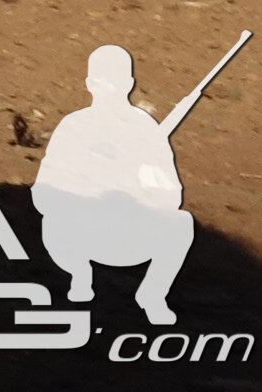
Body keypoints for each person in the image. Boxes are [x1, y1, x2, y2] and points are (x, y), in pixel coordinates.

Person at [36, 40, 206, 329]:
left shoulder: (145, 130)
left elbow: (171, 195)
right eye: (102, 82)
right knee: (53, 222)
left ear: (128, 83)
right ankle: (79, 275)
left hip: (129, 232)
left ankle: (152, 295)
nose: (108, 89)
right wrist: (89, 192)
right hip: (81, 231)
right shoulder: (73, 127)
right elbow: (43, 195)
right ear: (89, 83)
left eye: (114, 82)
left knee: (180, 223)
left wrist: (138, 189)